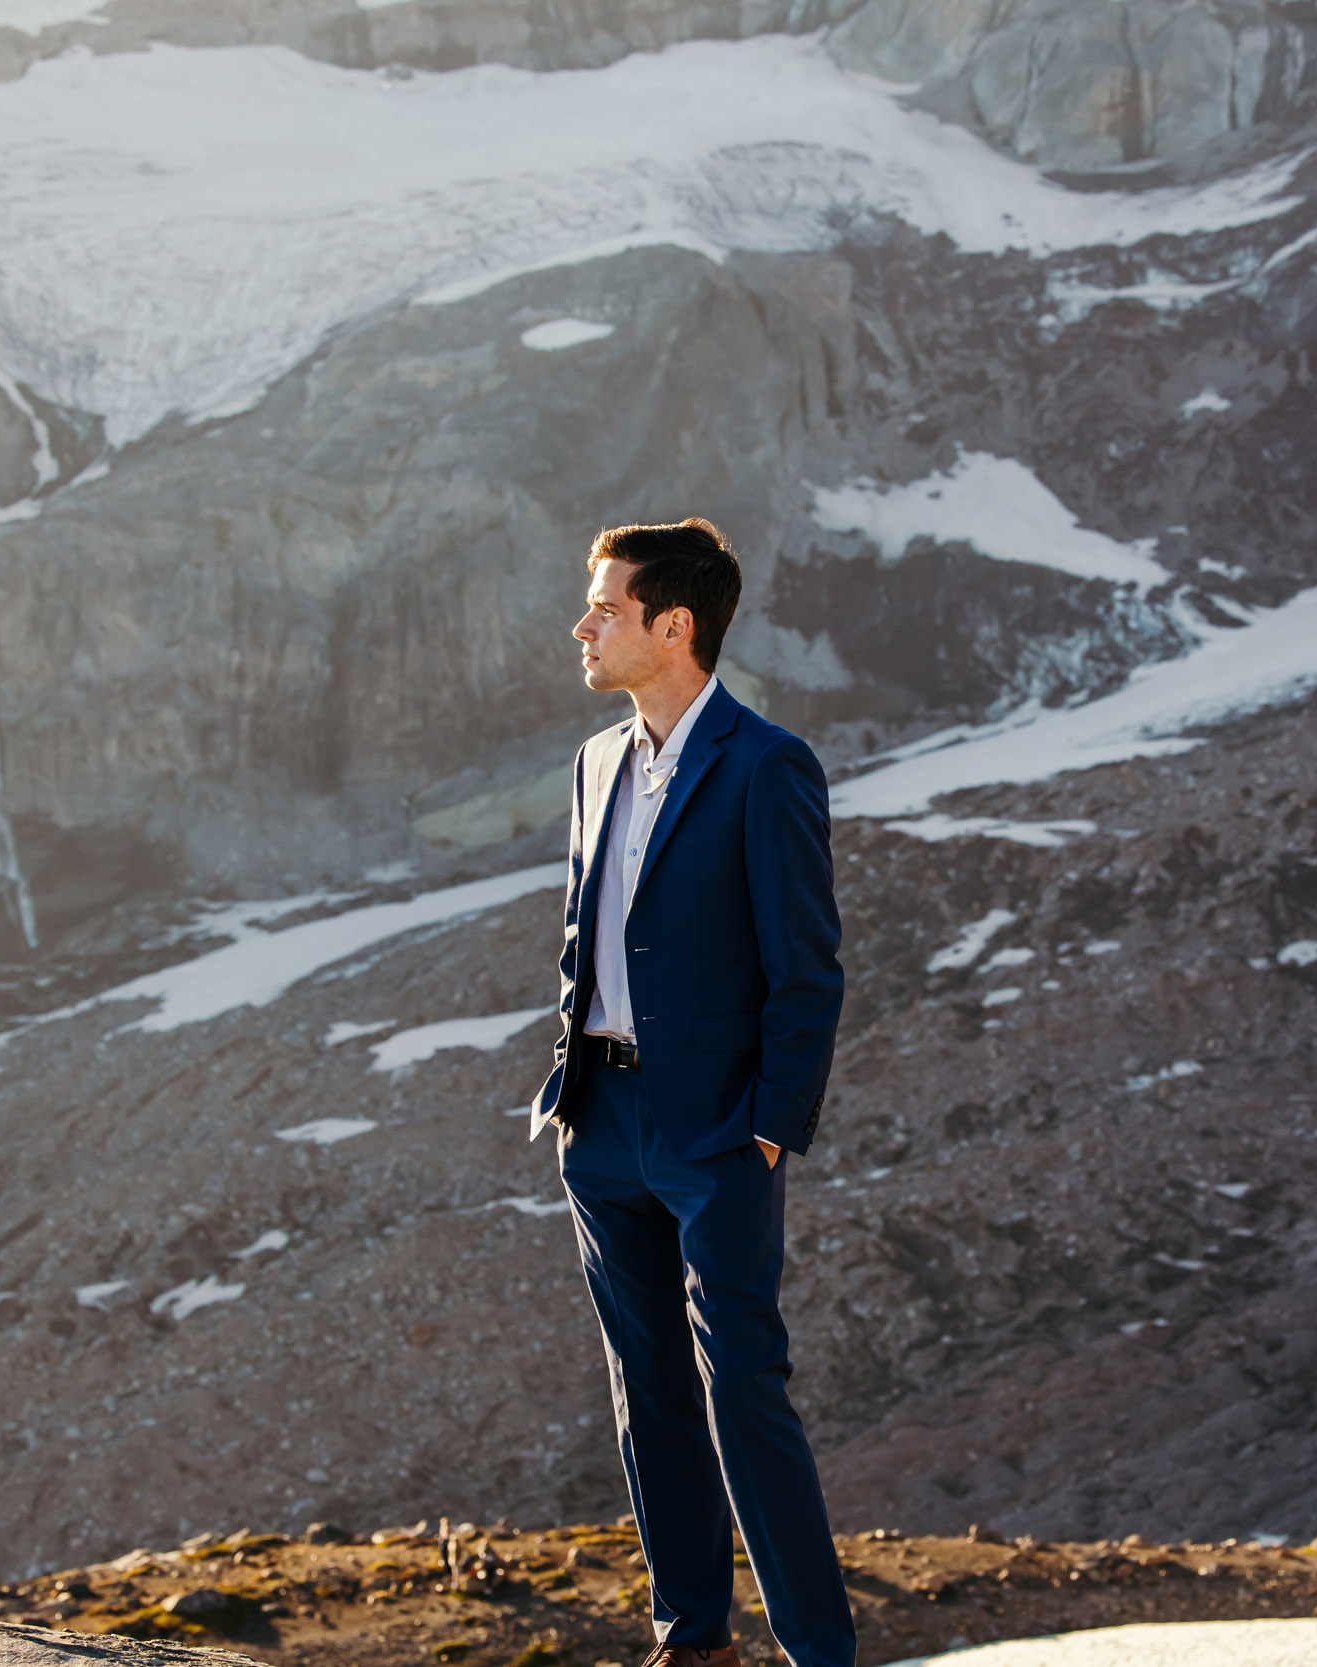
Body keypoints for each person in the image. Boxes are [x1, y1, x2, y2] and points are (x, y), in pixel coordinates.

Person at [527, 518, 853, 1667]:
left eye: (605, 607)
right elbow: (585, 938)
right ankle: (692, 1637)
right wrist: (568, 1090)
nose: (583, 624)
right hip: (601, 1123)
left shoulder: (767, 765)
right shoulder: (595, 759)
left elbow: (807, 969)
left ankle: (818, 1651)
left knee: (743, 1391)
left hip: (716, 1132)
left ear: (674, 625)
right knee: (648, 1388)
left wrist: (768, 1129)